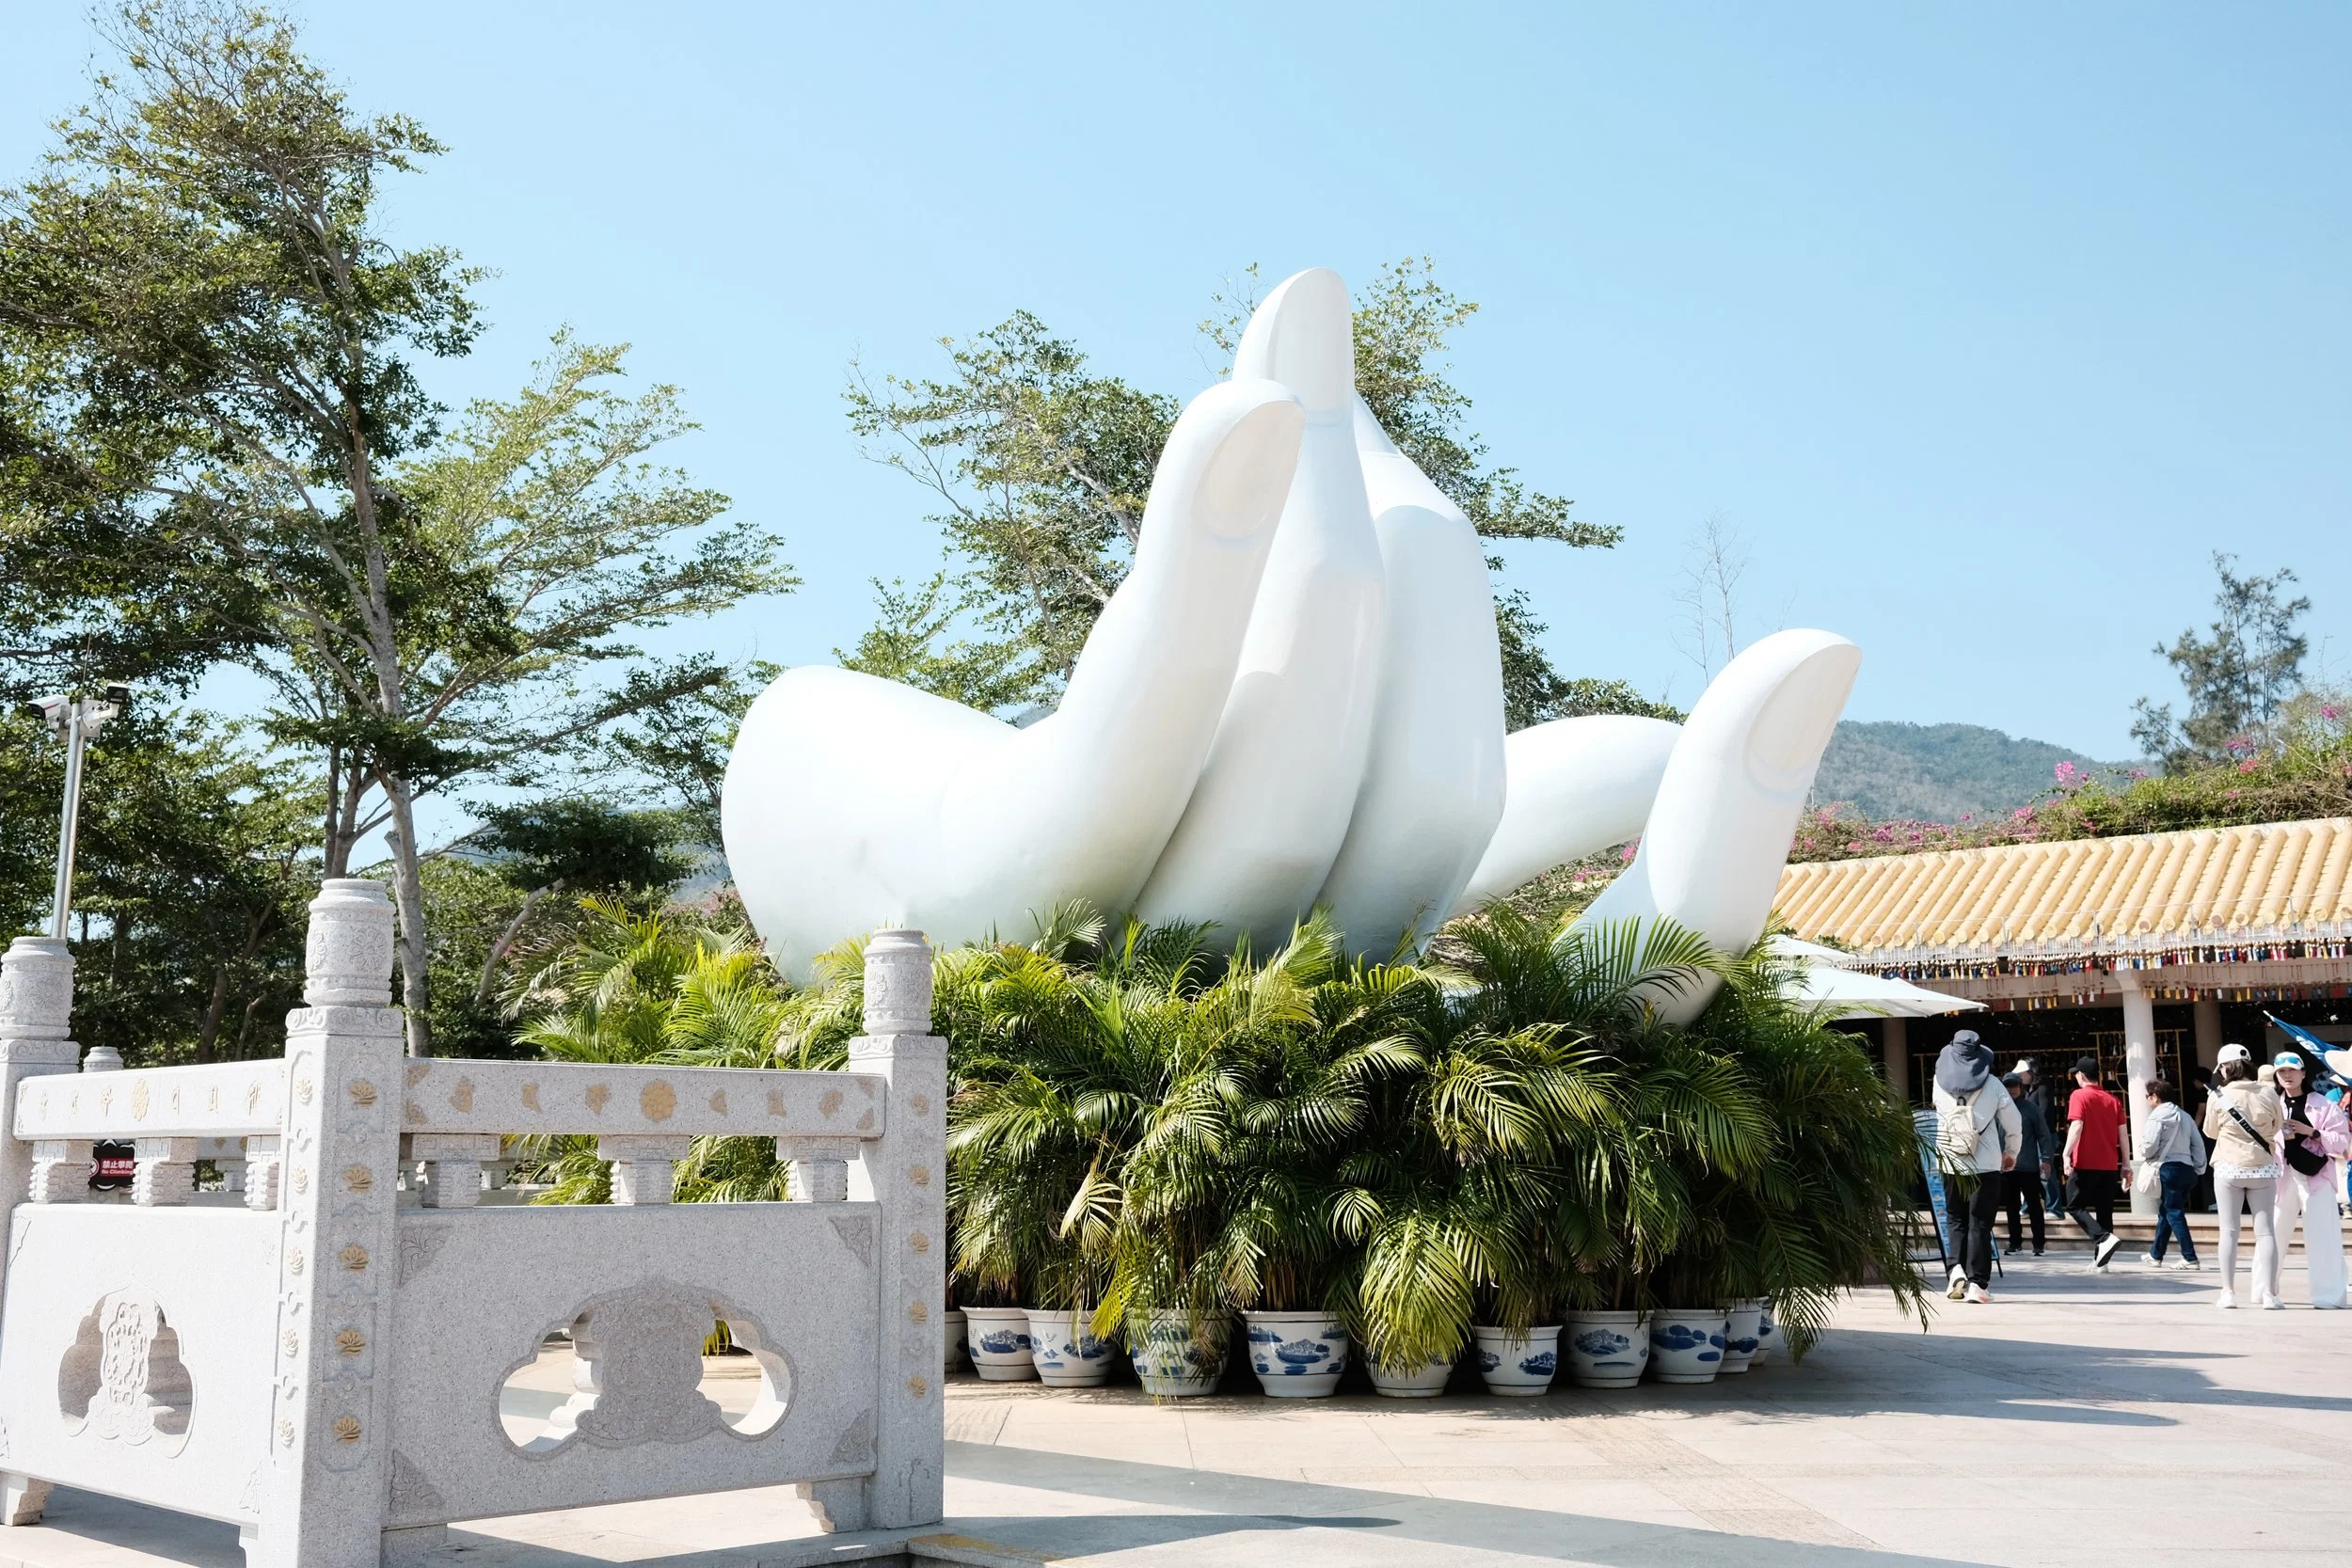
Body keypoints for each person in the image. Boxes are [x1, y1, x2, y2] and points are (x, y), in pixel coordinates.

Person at [1932, 1030, 2023, 1304]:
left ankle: (1955, 1271)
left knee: (1956, 1219)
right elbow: (2014, 1123)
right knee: (1980, 1224)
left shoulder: (1938, 1082)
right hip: (1986, 1165)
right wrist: (2011, 1153)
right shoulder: (1994, 1084)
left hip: (1950, 1162)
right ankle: (1977, 1284)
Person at [2202, 1045, 2285, 1309]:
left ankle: (2228, 1292)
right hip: (2262, 1167)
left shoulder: (2219, 1095)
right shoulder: (2269, 1093)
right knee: (2266, 1233)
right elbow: (2278, 1126)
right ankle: (2270, 1295)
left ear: (2226, 1067)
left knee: (2228, 1231)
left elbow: (2211, 1132)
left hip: (2228, 1166)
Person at [2270, 1052, 2348, 1309]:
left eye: (2292, 1070)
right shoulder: (2272, 1103)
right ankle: (2266, 1290)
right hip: (2282, 1175)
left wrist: (2312, 1132)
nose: (2287, 1076)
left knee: (2322, 1235)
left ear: (2303, 1073)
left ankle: (2328, 1295)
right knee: (2274, 1231)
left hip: (2317, 1176)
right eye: (2281, 1072)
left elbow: (2342, 1143)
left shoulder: (2324, 1105)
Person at [2060, 1056, 2128, 1269]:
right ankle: (2102, 1262)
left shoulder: (2079, 1095)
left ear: (2080, 1075)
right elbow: (2123, 1135)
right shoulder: (2113, 1100)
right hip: (2109, 1163)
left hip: (2086, 1161)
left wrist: (2066, 1153)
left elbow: (2077, 1125)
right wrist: (2126, 1164)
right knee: (2104, 1210)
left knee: (2074, 1205)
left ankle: (2103, 1238)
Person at [2135, 1079, 2204, 1269]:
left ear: (2155, 1096)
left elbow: (2149, 1146)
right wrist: (2199, 1168)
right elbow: (2197, 1145)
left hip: (2168, 1168)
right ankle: (2155, 1255)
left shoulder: (2157, 1116)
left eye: (2148, 1096)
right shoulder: (2185, 1116)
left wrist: (2143, 1151)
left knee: (2173, 1213)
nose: (2148, 1100)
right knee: (2166, 1212)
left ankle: (2189, 1257)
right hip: (2187, 1168)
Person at [2001, 1073, 2051, 1256]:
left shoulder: (2031, 1109)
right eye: (2007, 1086)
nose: (2011, 1089)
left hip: (2028, 1165)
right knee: (2011, 1206)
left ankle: (2039, 1243)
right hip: (2006, 1167)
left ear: (2020, 1087)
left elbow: (2043, 1135)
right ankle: (2015, 1242)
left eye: (2014, 1085)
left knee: (2034, 1206)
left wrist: (2046, 1159)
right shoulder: (1998, 1109)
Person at [2013, 1058, 2064, 1212]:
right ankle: (2029, 1205)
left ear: (2031, 1072)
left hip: (2044, 1135)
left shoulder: (2043, 1088)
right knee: (2030, 1172)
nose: (2021, 1078)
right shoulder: (2029, 1090)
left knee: (2045, 1171)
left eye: (2022, 1074)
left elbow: (2044, 1112)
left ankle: (2054, 1208)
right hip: (2032, 1136)